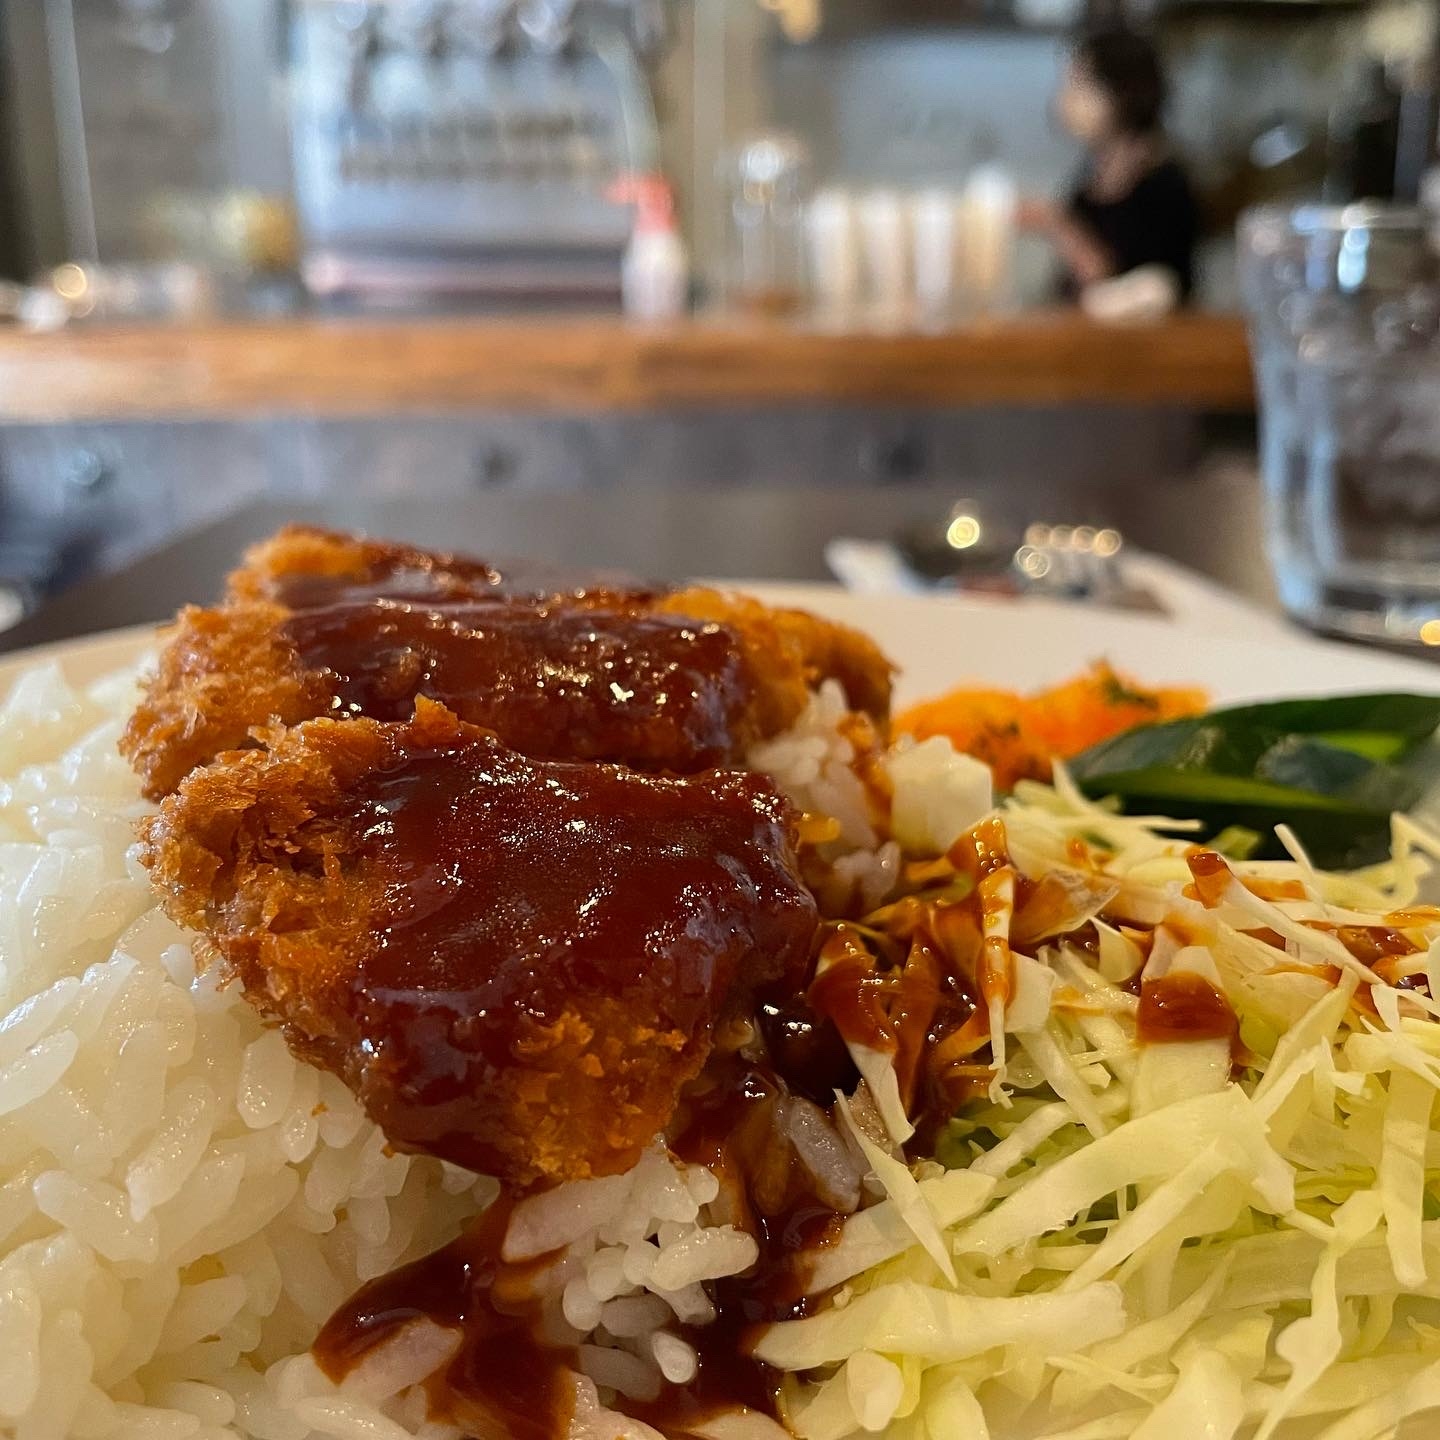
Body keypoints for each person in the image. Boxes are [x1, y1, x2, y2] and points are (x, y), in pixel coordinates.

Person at [1022, 25, 1200, 307]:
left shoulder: (1165, 188)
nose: (1065, 99)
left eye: (1080, 84)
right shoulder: (1086, 185)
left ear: (1122, 92)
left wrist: (1055, 223)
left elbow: (1139, 290)